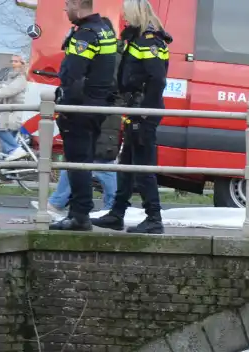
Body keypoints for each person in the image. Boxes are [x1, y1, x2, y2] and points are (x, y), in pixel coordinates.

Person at [91, 0, 172, 234]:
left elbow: (157, 79)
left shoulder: (149, 40)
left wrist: (146, 109)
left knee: (144, 166)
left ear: (135, 13)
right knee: (126, 165)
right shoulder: (137, 39)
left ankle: (154, 218)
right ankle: (117, 214)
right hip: (135, 109)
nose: (124, 18)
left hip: (143, 111)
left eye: (126, 14)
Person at [49, 0, 119, 232]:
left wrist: (65, 97)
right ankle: (80, 212)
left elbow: (72, 73)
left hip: (79, 108)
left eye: (67, 6)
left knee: (77, 163)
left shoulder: (85, 35)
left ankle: (79, 216)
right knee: (85, 161)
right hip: (97, 107)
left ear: (77, 6)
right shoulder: (105, 31)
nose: (65, 10)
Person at [47, 111, 120, 215]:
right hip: (100, 121)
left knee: (84, 161)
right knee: (99, 162)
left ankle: (58, 202)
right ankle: (112, 205)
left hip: (94, 118)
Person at [0, 54, 29, 159]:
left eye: (16, 61)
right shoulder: (13, 78)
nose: (13, 64)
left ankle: (16, 149)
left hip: (15, 113)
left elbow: (7, 92)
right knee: (5, 147)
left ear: (22, 64)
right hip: (10, 113)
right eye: (12, 61)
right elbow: (5, 97)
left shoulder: (22, 78)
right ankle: (11, 171)